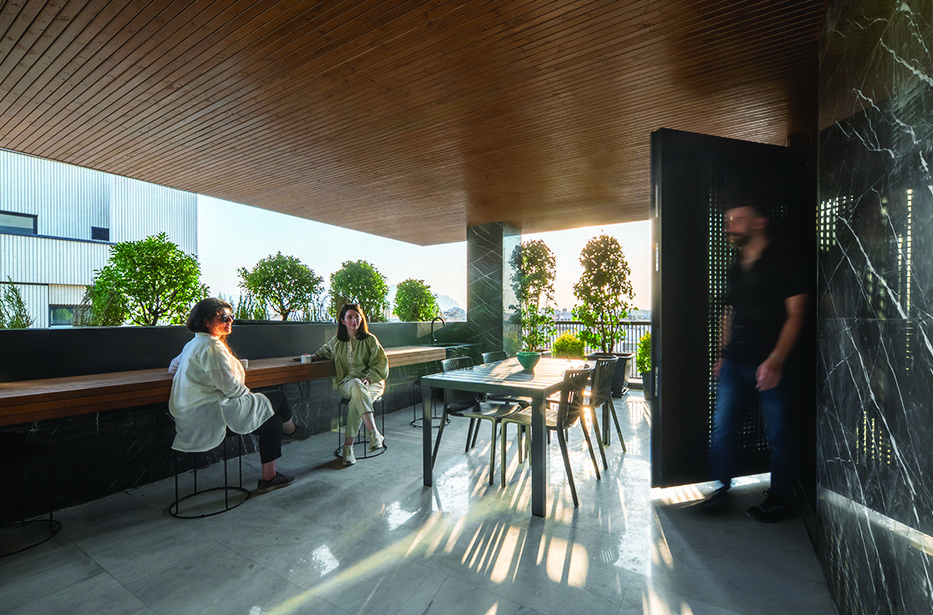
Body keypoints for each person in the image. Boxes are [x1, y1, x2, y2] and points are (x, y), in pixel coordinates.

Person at [705, 201, 808, 523]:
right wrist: (723, 355)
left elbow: (797, 313)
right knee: (722, 428)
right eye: (727, 220)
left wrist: (776, 360)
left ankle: (781, 498)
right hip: (735, 365)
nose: (729, 226)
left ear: (760, 221)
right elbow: (729, 313)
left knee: (777, 434)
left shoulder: (785, 260)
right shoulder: (736, 267)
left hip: (771, 366)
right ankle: (721, 488)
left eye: (737, 219)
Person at [169, 298, 298, 494]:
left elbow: (173, 366)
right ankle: (292, 431)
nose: (230, 321)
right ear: (206, 321)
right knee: (278, 398)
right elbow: (231, 388)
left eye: (231, 317)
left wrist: (196, 380)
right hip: (214, 415)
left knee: (273, 422)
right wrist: (248, 394)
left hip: (194, 412)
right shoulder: (211, 347)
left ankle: (269, 478)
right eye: (224, 317)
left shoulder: (193, 344)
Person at [306, 303, 388, 466]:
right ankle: (373, 433)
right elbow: (323, 352)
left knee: (355, 404)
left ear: (361, 318)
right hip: (347, 383)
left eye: (357, 316)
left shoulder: (370, 340)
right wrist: (312, 357)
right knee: (356, 386)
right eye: (349, 317)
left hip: (373, 383)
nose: (354, 320)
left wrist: (369, 378)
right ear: (343, 321)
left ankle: (348, 449)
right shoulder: (336, 341)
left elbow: (381, 365)